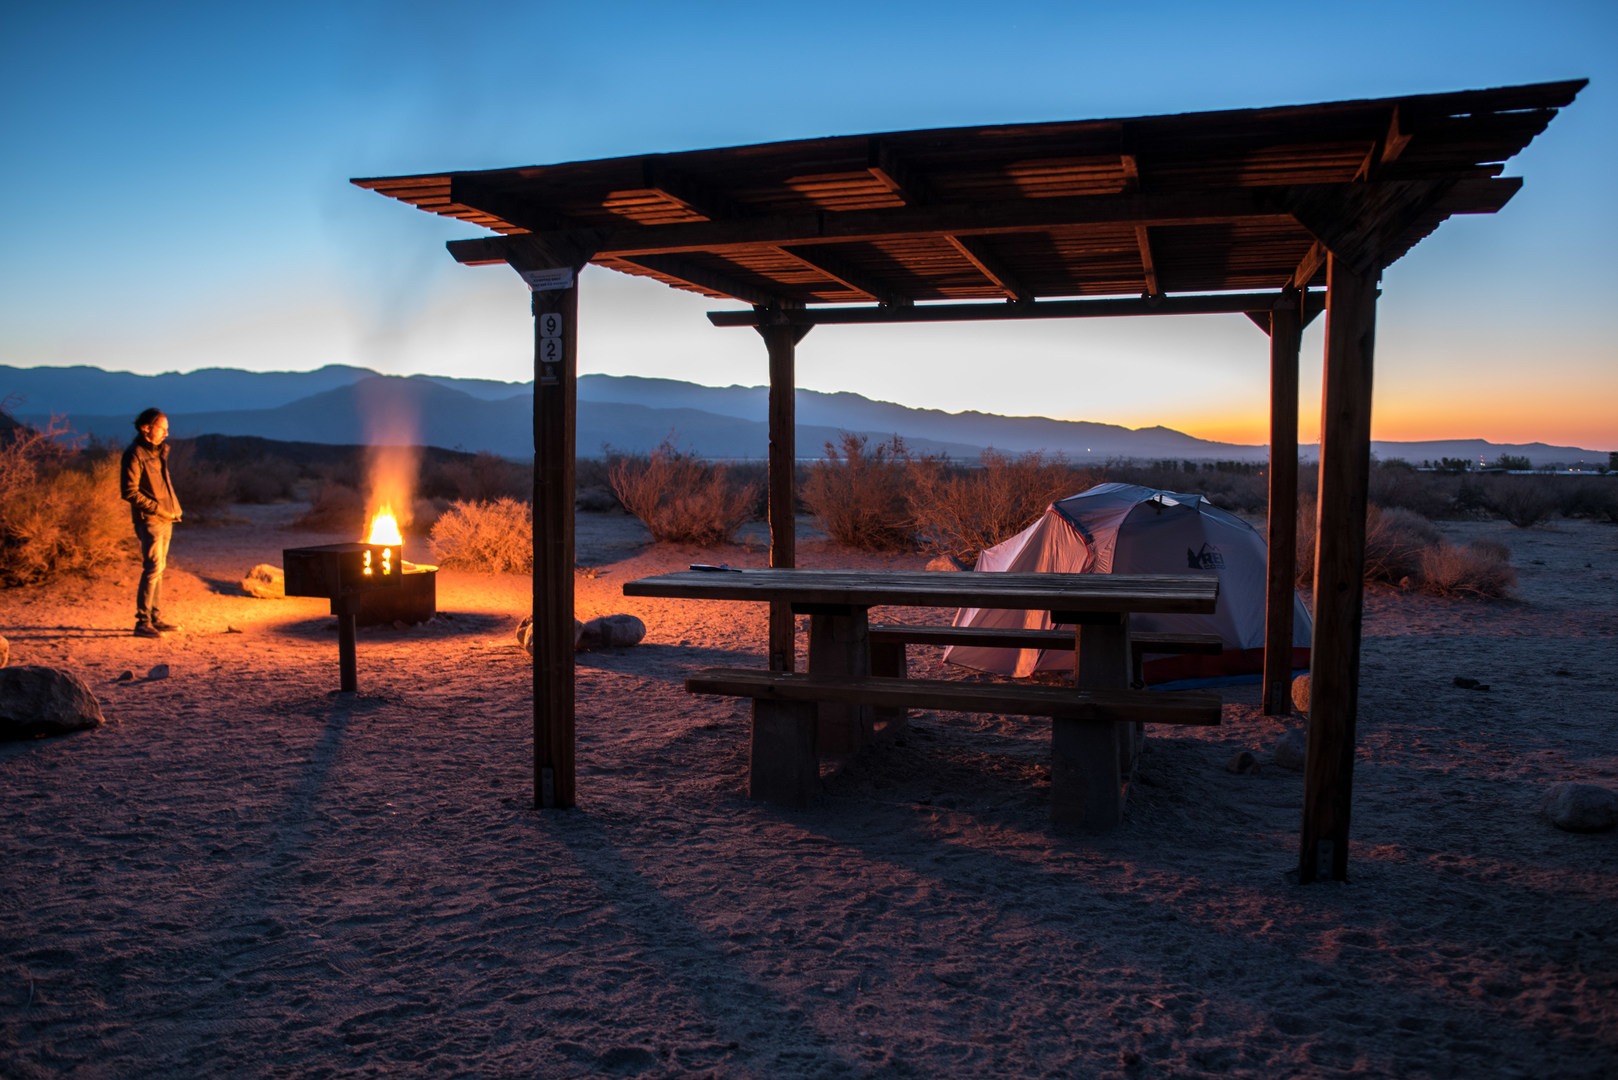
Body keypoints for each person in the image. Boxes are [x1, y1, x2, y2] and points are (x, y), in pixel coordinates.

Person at [120, 408, 183, 638]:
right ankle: (143, 622)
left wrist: (173, 510)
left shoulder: (157, 453)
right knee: (153, 569)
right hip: (151, 520)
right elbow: (129, 491)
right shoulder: (135, 454)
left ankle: (155, 618)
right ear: (146, 428)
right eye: (162, 428)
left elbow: (163, 485)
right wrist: (159, 510)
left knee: (159, 569)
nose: (166, 433)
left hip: (166, 518)